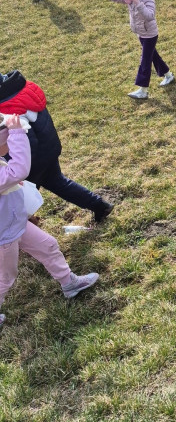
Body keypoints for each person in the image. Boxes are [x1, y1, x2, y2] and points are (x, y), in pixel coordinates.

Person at [0, 114, 99, 327]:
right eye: (7, 142)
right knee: (6, 277)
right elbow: (19, 170)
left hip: (14, 223)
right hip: (4, 235)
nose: (10, 145)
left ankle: (69, 283)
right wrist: (17, 132)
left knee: (48, 245)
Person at [0, 70, 114, 222]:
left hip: (30, 163)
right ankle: (99, 205)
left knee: (19, 198)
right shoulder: (23, 92)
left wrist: (17, 166)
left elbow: (28, 143)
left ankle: (22, 234)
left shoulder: (8, 110)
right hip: (48, 149)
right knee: (59, 183)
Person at [108, 0, 175, 99]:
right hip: (141, 34)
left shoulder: (147, 0)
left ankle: (143, 90)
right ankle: (168, 75)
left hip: (150, 35)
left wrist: (138, 3)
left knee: (145, 61)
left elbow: (150, 16)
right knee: (154, 56)